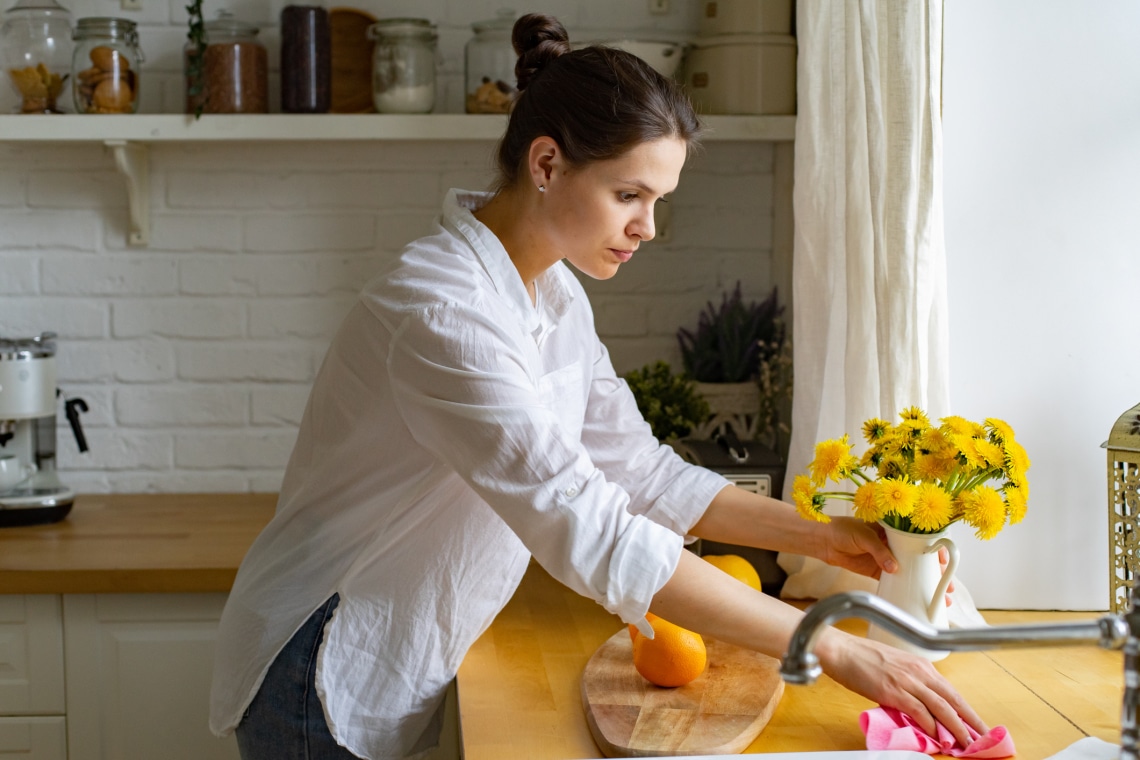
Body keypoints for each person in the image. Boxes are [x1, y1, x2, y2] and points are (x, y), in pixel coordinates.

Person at [209, 13, 987, 760]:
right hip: (322, 660)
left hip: (392, 644)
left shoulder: (553, 292)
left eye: (658, 201)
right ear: (547, 165)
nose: (648, 226)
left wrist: (817, 536)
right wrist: (834, 649)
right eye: (630, 196)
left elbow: (638, 473)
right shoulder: (444, 314)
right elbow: (593, 528)